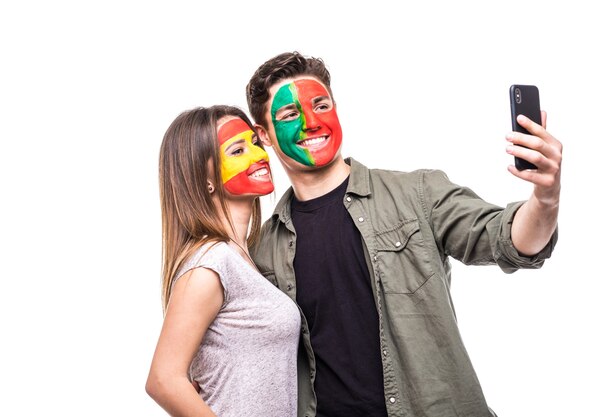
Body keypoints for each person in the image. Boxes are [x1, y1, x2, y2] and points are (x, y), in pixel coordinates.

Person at [245, 51, 562, 417]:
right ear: (263, 135)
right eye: (289, 115)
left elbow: (510, 242)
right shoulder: (262, 251)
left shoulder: (418, 194)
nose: (312, 122)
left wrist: (545, 195)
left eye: (321, 105)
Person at [145, 105, 300, 417]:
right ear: (205, 179)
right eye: (238, 149)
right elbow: (163, 380)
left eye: (255, 145)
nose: (258, 156)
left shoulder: (243, 258)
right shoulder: (211, 262)